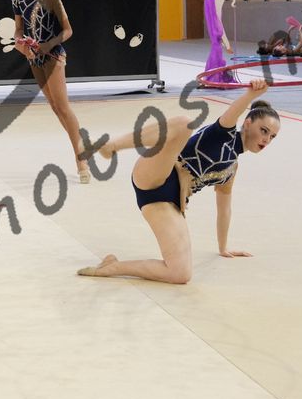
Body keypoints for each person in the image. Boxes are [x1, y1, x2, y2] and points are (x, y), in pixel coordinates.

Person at [77, 80, 279, 284]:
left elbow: (224, 209)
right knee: (184, 123)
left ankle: (113, 266)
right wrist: (250, 94)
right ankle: (111, 146)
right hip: (158, 172)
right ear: (247, 123)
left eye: (272, 136)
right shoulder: (223, 134)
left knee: (180, 274)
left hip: (167, 202)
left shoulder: (232, 169)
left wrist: (223, 247)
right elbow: (233, 112)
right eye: (264, 131)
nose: (267, 140)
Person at [12, 0, 90, 183]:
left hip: (53, 55)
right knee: (55, 107)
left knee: (63, 107)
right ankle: (78, 146)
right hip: (34, 57)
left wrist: (49, 44)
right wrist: (20, 43)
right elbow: (19, 28)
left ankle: (81, 158)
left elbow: (68, 30)